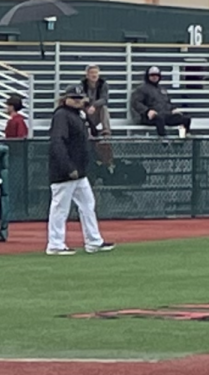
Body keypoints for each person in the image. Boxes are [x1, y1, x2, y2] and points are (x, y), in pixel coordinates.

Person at [46, 85, 115, 256]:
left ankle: (93, 241)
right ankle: (55, 244)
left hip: (79, 171)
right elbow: (57, 143)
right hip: (65, 171)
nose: (78, 101)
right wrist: (68, 167)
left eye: (80, 98)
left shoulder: (78, 114)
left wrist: (87, 114)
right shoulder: (62, 115)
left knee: (88, 205)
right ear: (65, 99)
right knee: (60, 208)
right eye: (74, 98)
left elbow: (92, 131)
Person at [131, 66, 191, 138]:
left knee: (185, 118)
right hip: (149, 117)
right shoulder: (141, 89)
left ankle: (182, 138)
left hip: (165, 115)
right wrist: (147, 111)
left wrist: (173, 109)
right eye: (152, 75)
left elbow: (167, 102)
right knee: (159, 119)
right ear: (148, 76)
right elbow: (136, 103)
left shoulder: (162, 90)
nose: (155, 77)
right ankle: (164, 140)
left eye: (157, 75)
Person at [80, 64, 110, 137]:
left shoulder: (103, 84)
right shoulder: (82, 85)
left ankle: (106, 131)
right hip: (86, 110)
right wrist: (87, 106)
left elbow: (104, 99)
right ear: (87, 75)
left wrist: (94, 105)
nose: (94, 75)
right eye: (92, 73)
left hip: (97, 111)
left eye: (96, 73)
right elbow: (81, 98)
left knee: (104, 108)